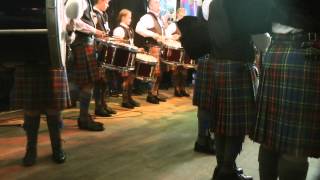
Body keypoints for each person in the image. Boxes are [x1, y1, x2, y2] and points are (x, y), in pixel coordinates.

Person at [249, 1, 320, 179]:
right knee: (294, 144)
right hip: (304, 55)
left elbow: (254, 17)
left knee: (270, 140)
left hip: (275, 52)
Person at [67, 0, 106, 131]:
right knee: (86, 83)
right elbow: (74, 22)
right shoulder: (78, 0)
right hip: (81, 44)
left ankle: (84, 116)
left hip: (86, 43)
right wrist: (95, 30)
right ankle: (83, 118)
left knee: (87, 83)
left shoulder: (85, 2)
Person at [135, 0, 167, 104]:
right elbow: (138, 29)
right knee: (154, 72)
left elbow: (161, 33)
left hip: (159, 47)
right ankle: (150, 95)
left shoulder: (158, 18)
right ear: (150, 5)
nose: (159, 4)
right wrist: (154, 35)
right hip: (153, 47)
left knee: (159, 73)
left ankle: (155, 93)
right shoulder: (147, 17)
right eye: (156, 2)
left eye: (158, 2)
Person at [92, 0, 117, 116]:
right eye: (106, 2)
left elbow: (106, 31)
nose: (108, 5)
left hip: (104, 49)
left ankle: (104, 104)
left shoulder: (104, 15)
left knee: (105, 80)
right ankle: (98, 106)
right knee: (99, 80)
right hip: (96, 50)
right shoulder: (93, 13)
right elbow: (92, 33)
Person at [113, 9, 141, 109]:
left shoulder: (130, 29)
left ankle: (129, 98)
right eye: (129, 17)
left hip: (130, 57)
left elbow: (131, 44)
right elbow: (117, 45)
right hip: (123, 57)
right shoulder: (119, 30)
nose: (130, 19)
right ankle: (125, 100)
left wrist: (137, 49)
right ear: (123, 17)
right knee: (126, 79)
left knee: (131, 78)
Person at [165, 8, 190, 97]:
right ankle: (176, 89)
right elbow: (166, 34)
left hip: (185, 50)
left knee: (184, 71)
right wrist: (173, 37)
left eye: (184, 13)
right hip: (176, 50)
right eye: (182, 13)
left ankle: (183, 88)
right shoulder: (174, 25)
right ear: (178, 14)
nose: (184, 14)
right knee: (176, 70)